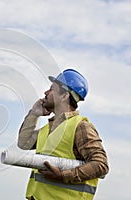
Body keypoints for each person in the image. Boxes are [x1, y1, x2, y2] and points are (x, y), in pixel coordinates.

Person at [17, 69, 109, 200]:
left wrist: (63, 176)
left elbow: (101, 165)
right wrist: (33, 114)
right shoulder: (49, 129)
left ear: (64, 96)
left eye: (51, 89)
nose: (46, 93)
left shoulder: (80, 127)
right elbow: (23, 143)